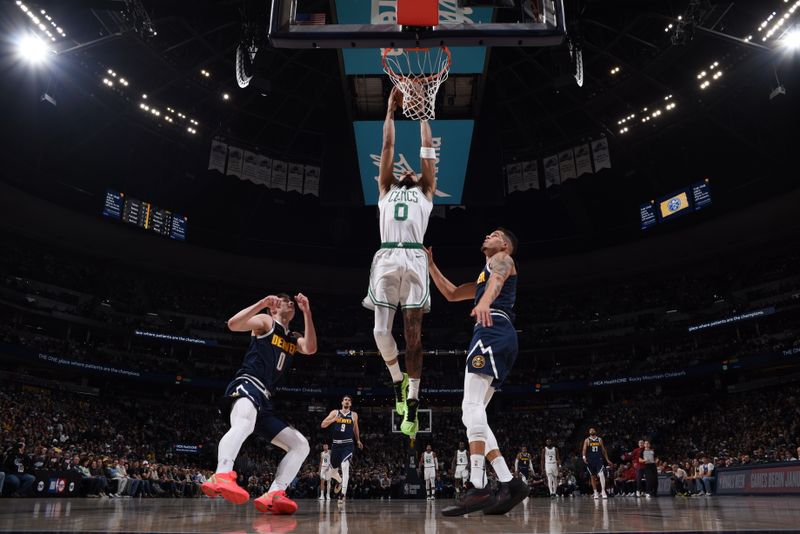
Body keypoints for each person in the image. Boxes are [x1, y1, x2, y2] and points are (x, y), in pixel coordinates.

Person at [426, 229, 528, 516]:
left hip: (492, 329)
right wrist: (431, 265)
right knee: (473, 415)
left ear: (505, 244)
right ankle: (509, 482)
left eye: (494, 234)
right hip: (497, 333)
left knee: (470, 407)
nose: (486, 235)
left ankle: (479, 485)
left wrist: (484, 302)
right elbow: (452, 293)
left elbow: (498, 279)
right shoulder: (484, 274)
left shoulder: (502, 259)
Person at [363, 87, 437, 437]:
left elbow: (427, 154)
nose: (407, 171)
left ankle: (414, 402)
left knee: (413, 336)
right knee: (379, 332)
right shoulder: (385, 189)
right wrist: (390, 113)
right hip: (387, 255)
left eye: (413, 171)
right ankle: (397, 381)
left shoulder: (426, 190)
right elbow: (388, 149)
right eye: (402, 171)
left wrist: (423, 114)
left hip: (414, 257)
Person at [201, 293, 317, 516]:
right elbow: (233, 325)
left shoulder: (293, 337)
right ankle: (222, 473)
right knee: (244, 423)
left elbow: (311, 348)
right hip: (248, 384)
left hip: (265, 400)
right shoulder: (267, 322)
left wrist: (307, 312)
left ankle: (275, 493)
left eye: (292, 302)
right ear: (274, 308)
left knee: (301, 445)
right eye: (286, 300)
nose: (291, 303)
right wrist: (262, 303)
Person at [321, 395, 363, 504]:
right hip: (336, 445)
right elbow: (323, 424)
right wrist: (334, 419)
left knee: (345, 466)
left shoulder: (354, 415)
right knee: (328, 475)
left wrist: (358, 440)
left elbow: (356, 428)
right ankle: (339, 481)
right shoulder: (335, 412)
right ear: (342, 402)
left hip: (348, 444)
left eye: (349, 400)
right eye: (345, 400)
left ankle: (342, 495)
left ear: (351, 404)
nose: (347, 401)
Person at [582, 428, 613, 499]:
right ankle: (595, 492)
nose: (592, 431)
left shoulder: (599, 439)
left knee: (601, 474)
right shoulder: (587, 440)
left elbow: (603, 450)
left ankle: (603, 491)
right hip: (590, 460)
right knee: (592, 477)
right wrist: (584, 457)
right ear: (589, 432)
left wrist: (607, 459)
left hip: (599, 460)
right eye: (590, 430)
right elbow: (584, 450)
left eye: (593, 430)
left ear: (595, 431)